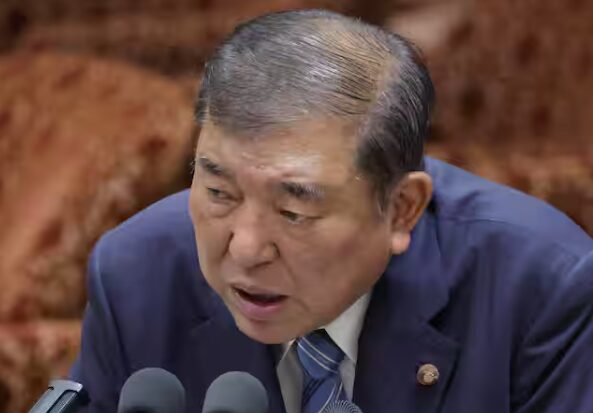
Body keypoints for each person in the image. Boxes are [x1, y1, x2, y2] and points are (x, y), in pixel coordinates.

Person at [70, 9, 593, 413]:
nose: (246, 249)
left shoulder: (542, 287)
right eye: (219, 192)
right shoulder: (137, 275)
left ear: (402, 209)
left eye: (293, 211)